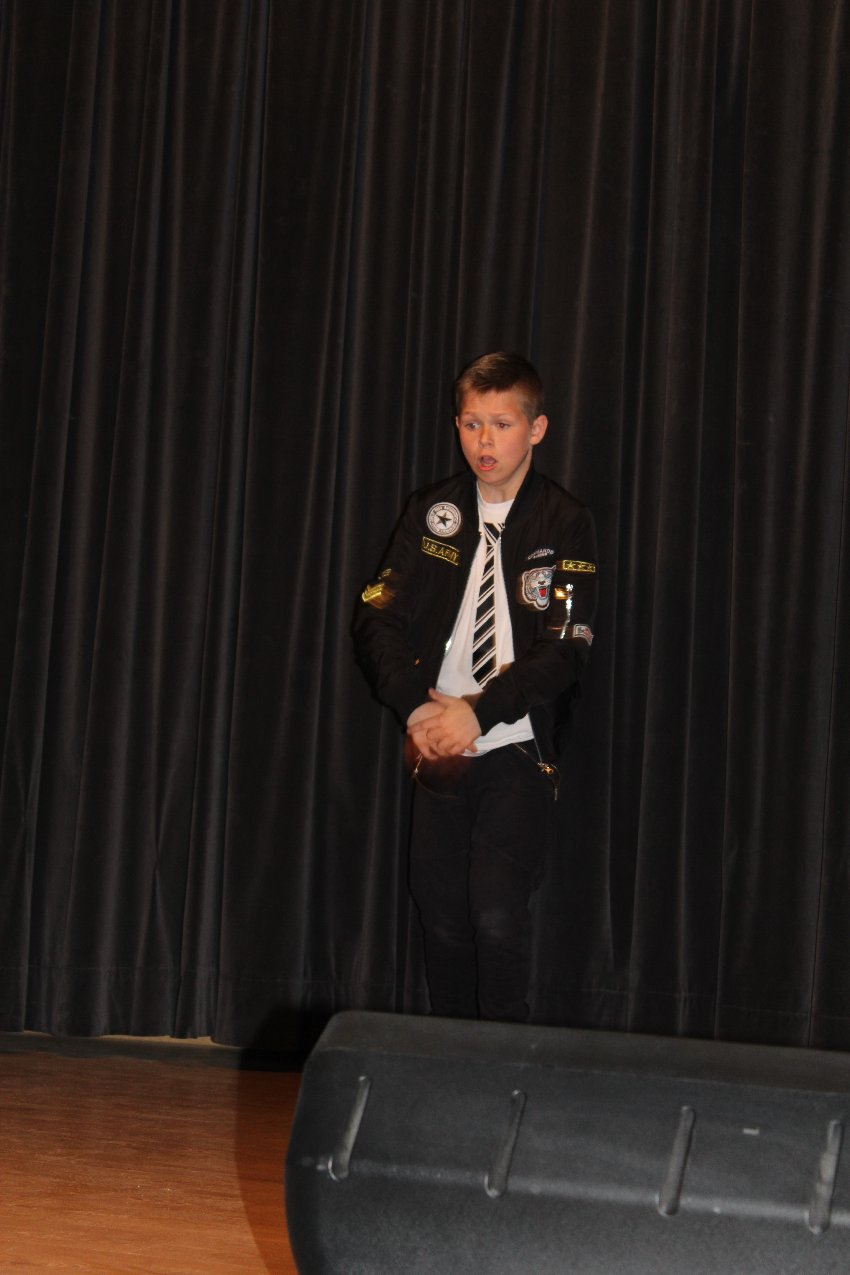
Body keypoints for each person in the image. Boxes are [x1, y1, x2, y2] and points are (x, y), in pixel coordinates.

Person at [352, 352, 597, 1022]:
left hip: (514, 742)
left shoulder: (564, 520)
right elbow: (377, 616)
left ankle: (504, 1061)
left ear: (536, 429)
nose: (484, 441)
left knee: (495, 912)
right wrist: (416, 708)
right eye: (470, 423)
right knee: (441, 914)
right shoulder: (433, 511)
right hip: (437, 741)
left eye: (501, 424)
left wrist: (481, 713)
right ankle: (451, 1059)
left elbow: (567, 645)